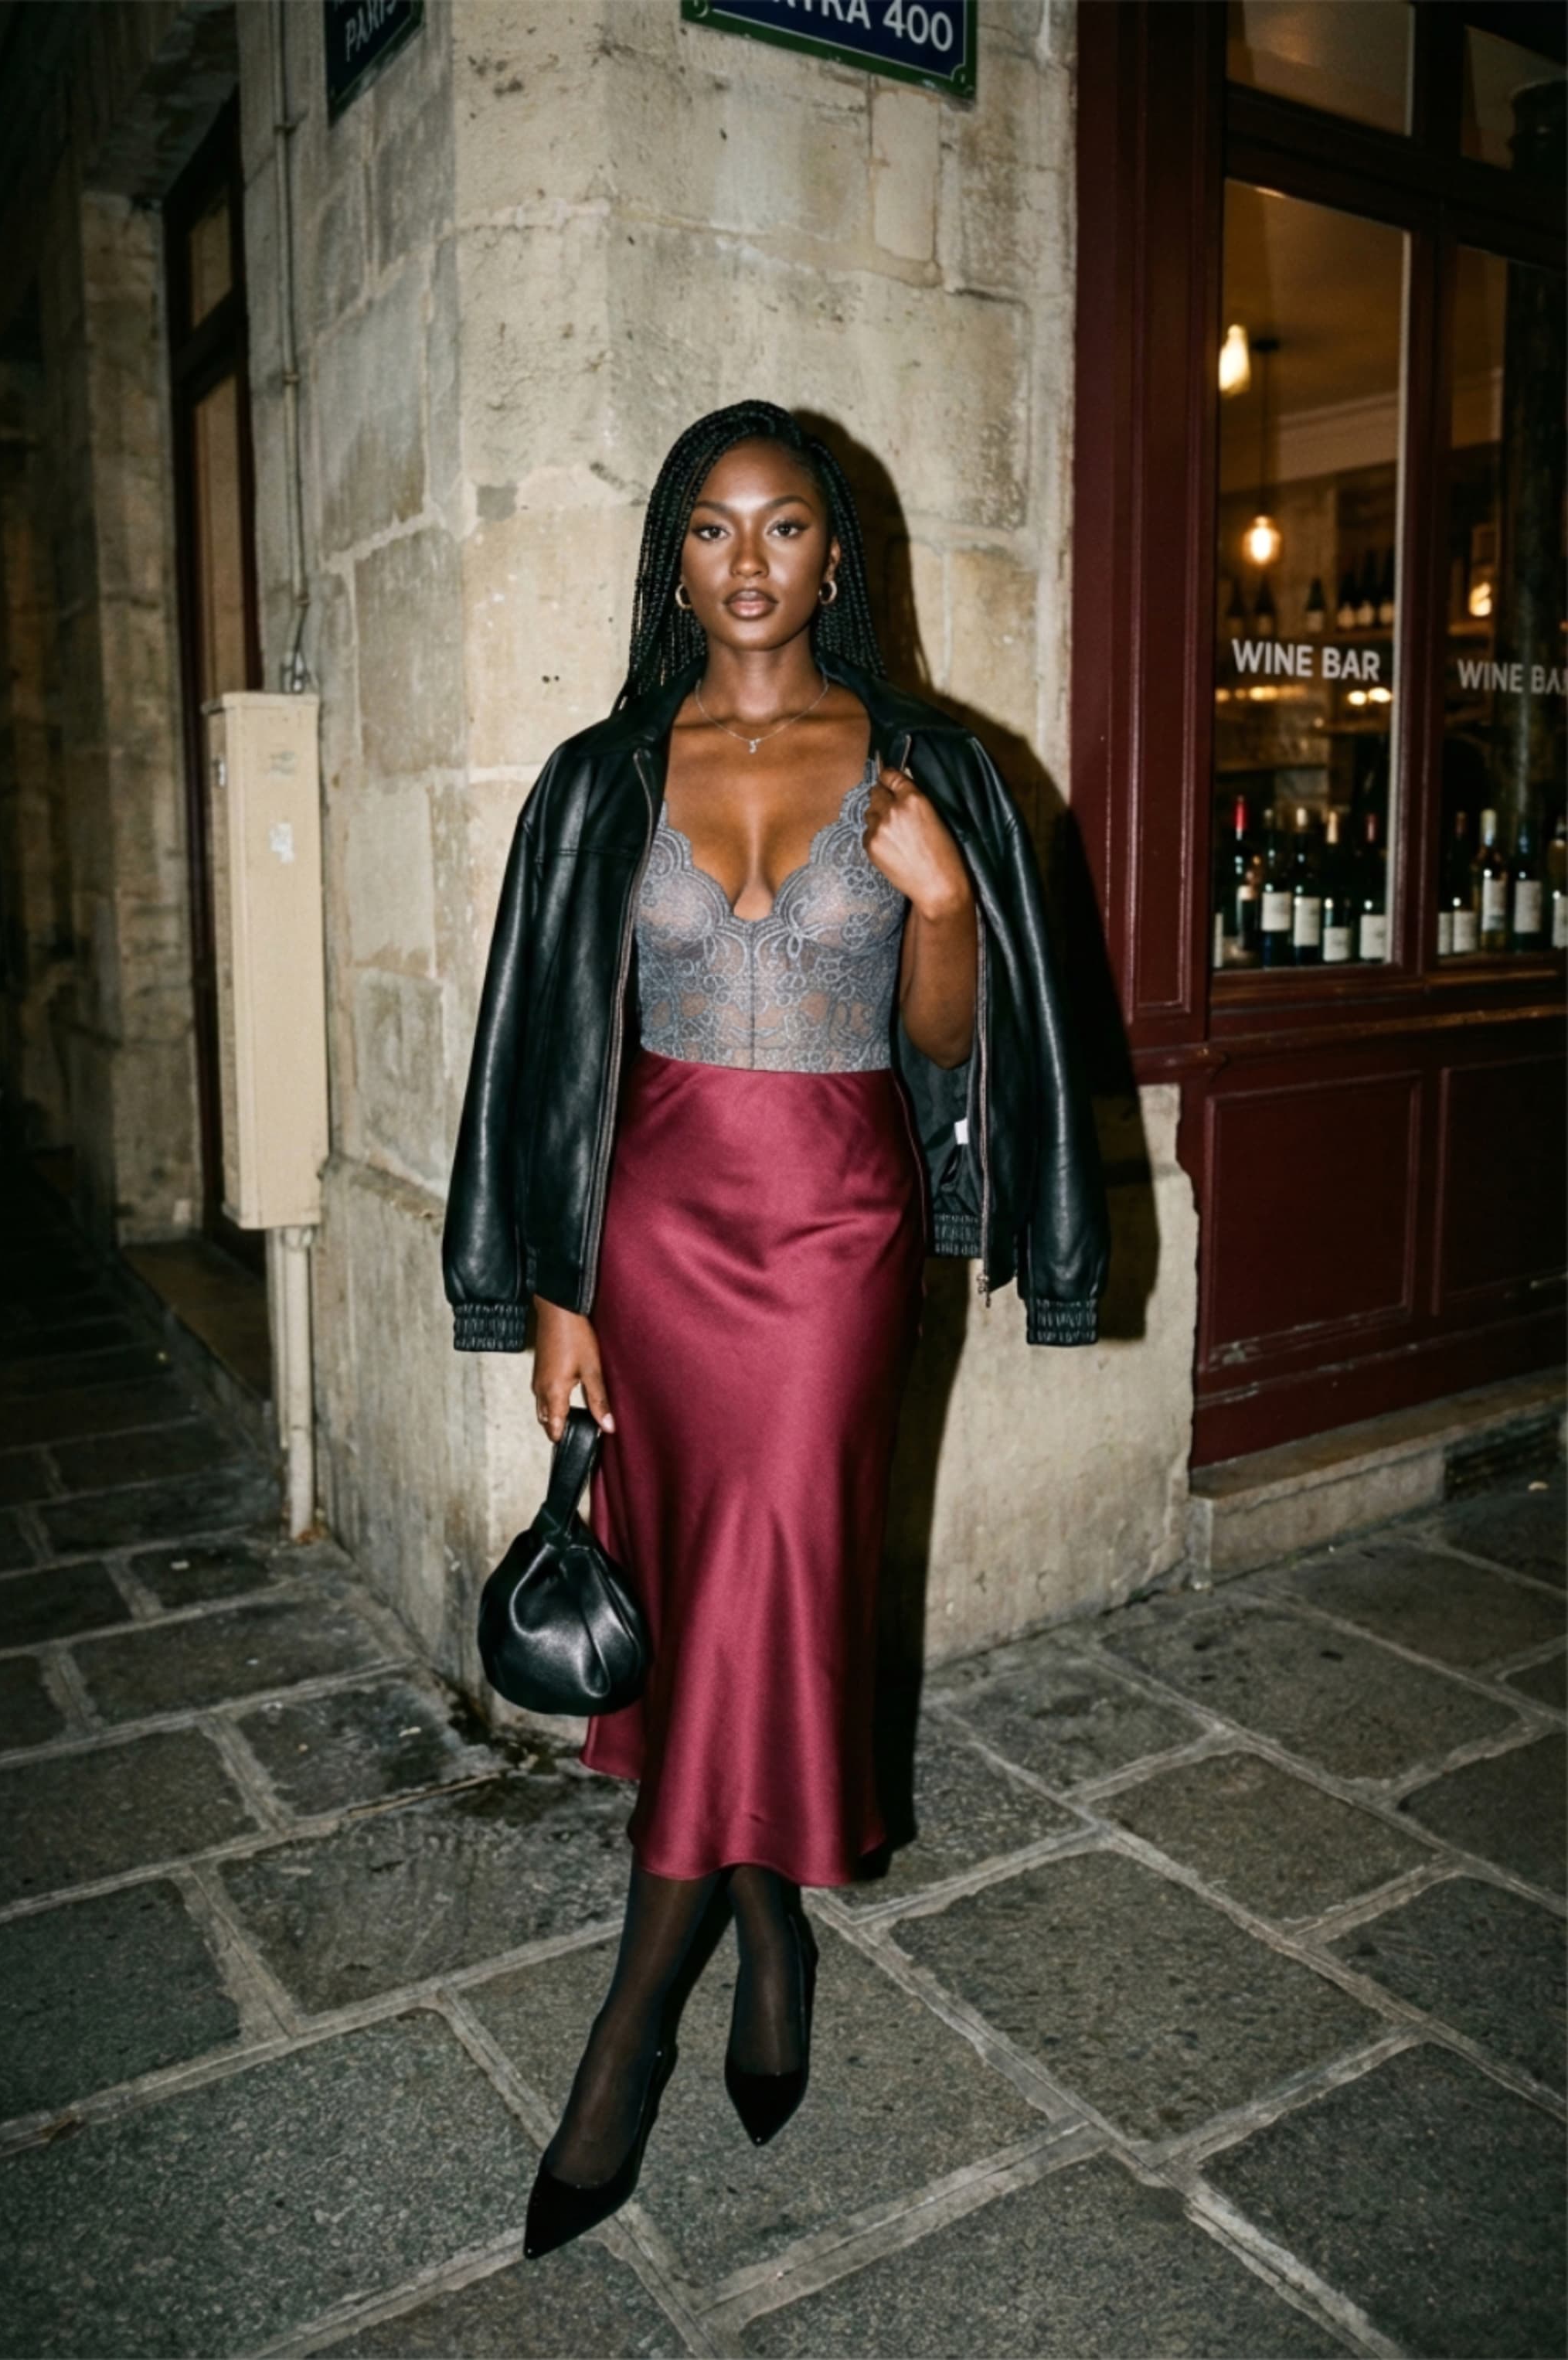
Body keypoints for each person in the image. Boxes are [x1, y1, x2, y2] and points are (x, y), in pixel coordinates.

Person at [442, 399, 1109, 2258]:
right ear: (673, 561)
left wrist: (943, 901)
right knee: (695, 1596)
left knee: (766, 1588)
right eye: (714, 528)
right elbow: (548, 1047)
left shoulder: (920, 767)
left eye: (786, 526)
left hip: (832, 1240)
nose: (750, 561)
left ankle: (624, 2037)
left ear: (836, 555)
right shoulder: (600, 776)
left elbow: (951, 1042)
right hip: (649, 1239)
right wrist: (555, 1290)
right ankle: (769, 1933)